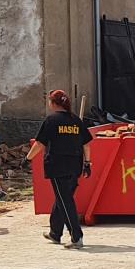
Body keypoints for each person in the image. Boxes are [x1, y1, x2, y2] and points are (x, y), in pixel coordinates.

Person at [27, 89, 92, 248]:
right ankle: (55, 233)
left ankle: (76, 237)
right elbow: (86, 144)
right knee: (62, 198)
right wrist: (87, 163)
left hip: (57, 166)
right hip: (75, 165)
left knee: (65, 201)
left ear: (53, 103)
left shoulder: (51, 120)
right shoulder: (76, 120)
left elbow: (40, 144)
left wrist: (27, 158)